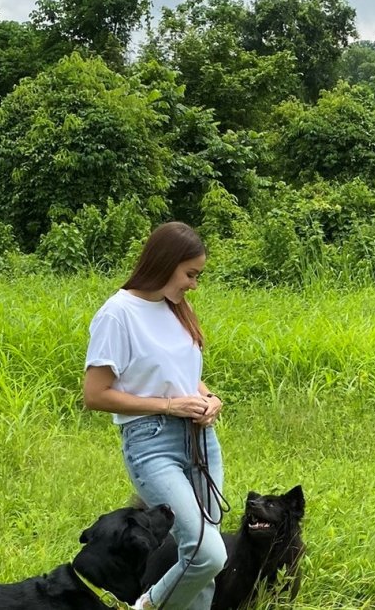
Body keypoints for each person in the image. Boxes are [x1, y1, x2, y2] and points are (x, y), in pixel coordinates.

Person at [82, 222, 227, 610]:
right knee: (207, 552)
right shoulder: (118, 314)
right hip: (152, 441)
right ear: (165, 263)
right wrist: (168, 406)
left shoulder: (178, 308)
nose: (194, 285)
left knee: (199, 557)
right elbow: (95, 394)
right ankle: (145, 606)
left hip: (200, 439)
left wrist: (209, 398)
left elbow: (182, 377)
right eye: (190, 274)